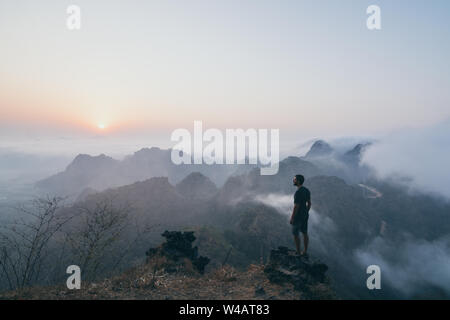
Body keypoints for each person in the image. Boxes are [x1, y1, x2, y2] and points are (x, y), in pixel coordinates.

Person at [290, 174, 311, 256]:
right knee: (305, 233)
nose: (293, 180)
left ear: (298, 181)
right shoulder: (306, 190)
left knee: (295, 234)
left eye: (294, 179)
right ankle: (305, 251)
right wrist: (306, 211)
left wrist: (292, 217)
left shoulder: (298, 192)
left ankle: (298, 252)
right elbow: (309, 203)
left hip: (298, 216)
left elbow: (296, 206)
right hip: (305, 215)